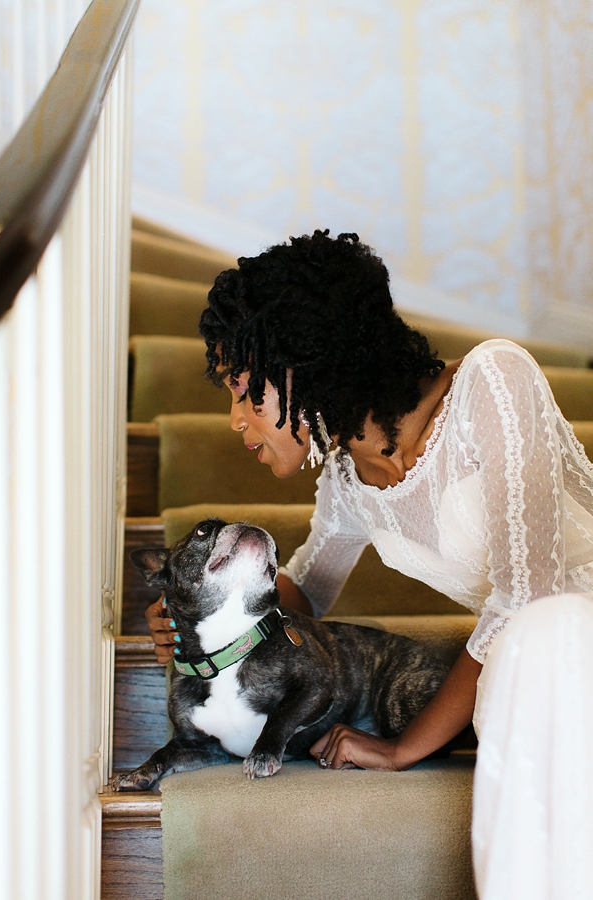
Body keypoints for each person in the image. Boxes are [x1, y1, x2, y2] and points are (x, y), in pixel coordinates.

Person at [145, 230, 593, 897]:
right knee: (519, 674)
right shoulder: (349, 483)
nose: (236, 419)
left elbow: (527, 596)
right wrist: (203, 616)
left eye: (245, 389)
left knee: (542, 634)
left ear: (305, 361)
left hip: (560, 641)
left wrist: (406, 745)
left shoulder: (493, 382)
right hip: (534, 673)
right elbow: (302, 598)